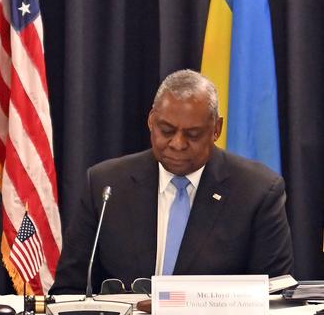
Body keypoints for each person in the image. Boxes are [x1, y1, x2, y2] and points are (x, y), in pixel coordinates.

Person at [51, 69, 293, 295]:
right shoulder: (106, 185)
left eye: (193, 134)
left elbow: (273, 297)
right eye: (166, 131)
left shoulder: (257, 192)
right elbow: (69, 289)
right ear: (151, 122)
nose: (177, 144)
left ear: (216, 129)